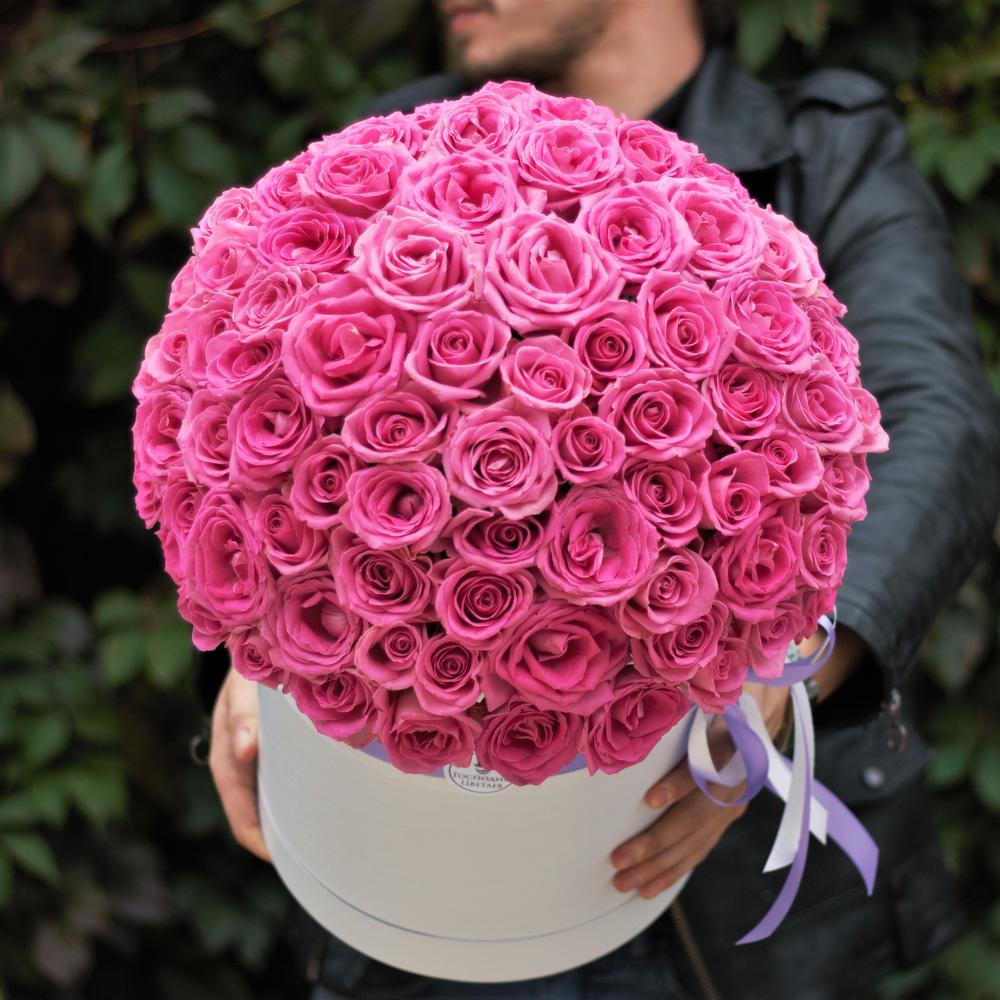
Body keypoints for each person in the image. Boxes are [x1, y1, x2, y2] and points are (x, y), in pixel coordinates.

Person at [193, 1, 1000, 997]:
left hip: (727, 905)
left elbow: (939, 422)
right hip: (418, 882)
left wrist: (783, 677)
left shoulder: (821, 146)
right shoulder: (400, 149)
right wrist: (259, 645)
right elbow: (252, 425)